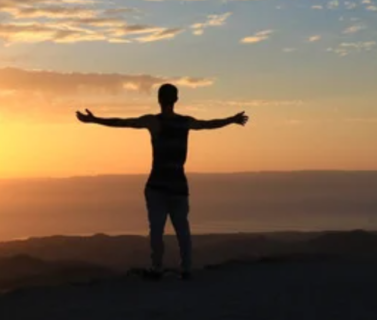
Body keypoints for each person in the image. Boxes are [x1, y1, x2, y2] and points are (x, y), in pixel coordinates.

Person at [76, 83, 249, 280]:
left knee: (157, 231)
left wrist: (94, 120)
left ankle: (157, 268)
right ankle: (186, 269)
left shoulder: (153, 122)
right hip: (177, 186)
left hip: (157, 186)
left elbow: (123, 122)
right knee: (182, 230)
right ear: (176, 99)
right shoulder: (184, 122)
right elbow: (208, 124)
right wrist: (232, 119)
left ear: (159, 100)